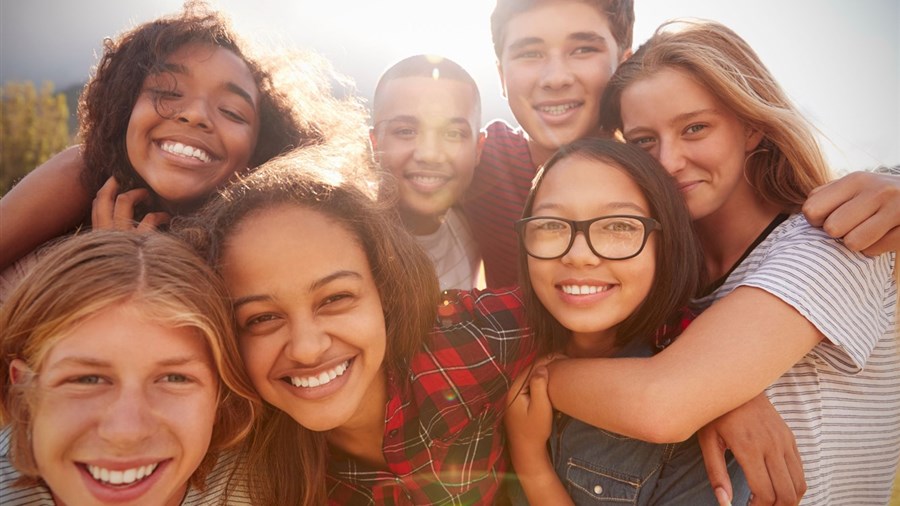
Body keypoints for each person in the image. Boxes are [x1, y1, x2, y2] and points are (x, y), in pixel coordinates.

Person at [537, 19, 898, 505]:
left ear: (751, 127)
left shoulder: (830, 243)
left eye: (695, 128)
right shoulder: (665, 272)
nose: (668, 161)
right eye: (644, 140)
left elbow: (663, 403)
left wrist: (536, 380)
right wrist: (720, 394)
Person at [176, 148, 536, 505]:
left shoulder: (472, 337)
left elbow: (580, 331)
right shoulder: (246, 471)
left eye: (335, 299)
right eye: (262, 318)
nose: (307, 348)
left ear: (385, 288)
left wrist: (565, 383)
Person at [464, 0, 900, 289]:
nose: (555, 77)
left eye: (582, 49)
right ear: (501, 75)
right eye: (529, 53)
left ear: (623, 63)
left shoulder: (661, 183)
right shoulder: (477, 163)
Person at [0, 0, 367, 275]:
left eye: (232, 112)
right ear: (125, 108)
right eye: (169, 92)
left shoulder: (258, 249)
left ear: (259, 153)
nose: (195, 115)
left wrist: (125, 269)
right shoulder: (80, 174)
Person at [504, 138, 748, 505]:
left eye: (618, 227)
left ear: (664, 244)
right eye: (552, 226)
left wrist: (531, 463)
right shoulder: (498, 354)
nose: (579, 256)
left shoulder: (700, 412)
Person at [0, 230, 260, 505]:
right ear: (23, 396)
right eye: (87, 380)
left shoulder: (267, 486)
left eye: (175, 378)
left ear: (219, 399)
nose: (126, 432)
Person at [370, 54, 485, 290]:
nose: (430, 154)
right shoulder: (346, 246)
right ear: (374, 144)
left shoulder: (472, 225)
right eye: (405, 131)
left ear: (478, 149)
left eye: (453, 133)